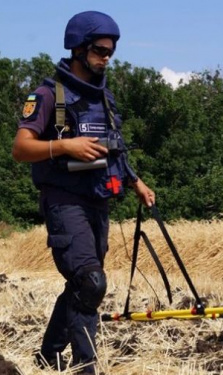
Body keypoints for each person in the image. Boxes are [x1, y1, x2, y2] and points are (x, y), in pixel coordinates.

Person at [12, 11, 155, 374]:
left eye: (111, 51)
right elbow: (20, 148)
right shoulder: (47, 94)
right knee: (91, 282)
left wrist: (135, 181)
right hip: (63, 200)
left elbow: (115, 149)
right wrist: (64, 147)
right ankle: (84, 368)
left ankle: (48, 355)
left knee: (83, 286)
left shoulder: (104, 98)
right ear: (77, 48)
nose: (106, 56)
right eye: (99, 49)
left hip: (98, 200)